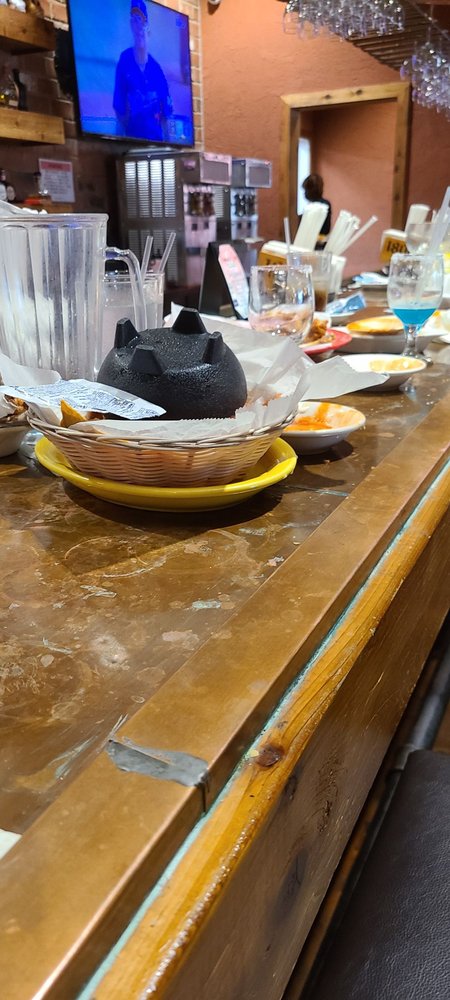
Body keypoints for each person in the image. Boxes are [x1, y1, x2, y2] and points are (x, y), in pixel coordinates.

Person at [113, 0, 173, 142]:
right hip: (131, 141)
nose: (139, 26)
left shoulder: (157, 71)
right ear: (131, 25)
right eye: (135, 20)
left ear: (148, 30)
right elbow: (119, 107)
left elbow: (166, 116)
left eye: (142, 21)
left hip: (156, 143)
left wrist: (170, 146)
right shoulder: (124, 60)